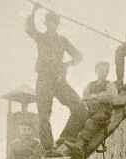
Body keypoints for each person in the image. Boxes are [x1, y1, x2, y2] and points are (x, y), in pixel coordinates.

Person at [25, 6, 82, 150]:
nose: (50, 25)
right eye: (48, 22)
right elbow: (29, 28)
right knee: (43, 116)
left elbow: (78, 56)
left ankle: (66, 137)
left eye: (53, 23)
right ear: (45, 24)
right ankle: (48, 149)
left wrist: (66, 65)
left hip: (58, 80)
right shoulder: (41, 37)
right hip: (44, 80)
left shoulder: (62, 40)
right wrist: (34, 10)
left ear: (56, 25)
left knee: (80, 108)